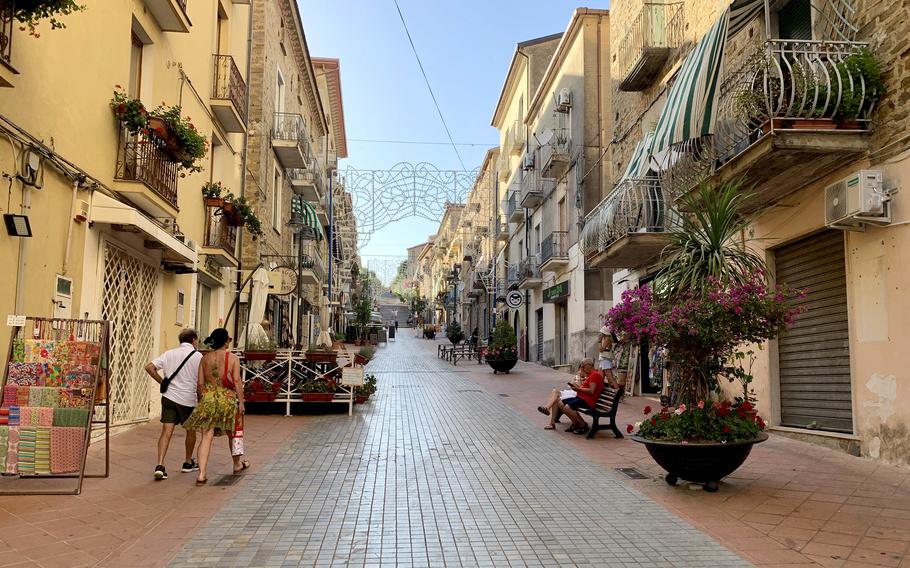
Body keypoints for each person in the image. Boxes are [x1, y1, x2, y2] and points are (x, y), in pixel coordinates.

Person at [183, 328, 249, 485]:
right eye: (229, 339)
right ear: (226, 341)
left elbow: (199, 384)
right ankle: (237, 464)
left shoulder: (204, 359)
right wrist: (241, 401)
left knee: (206, 436)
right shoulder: (232, 358)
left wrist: (201, 401)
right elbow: (237, 381)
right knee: (233, 433)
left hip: (208, 398)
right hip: (227, 398)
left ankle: (201, 473)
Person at [144, 329, 203, 480]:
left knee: (166, 432)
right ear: (193, 340)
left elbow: (149, 367)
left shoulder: (169, 353)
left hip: (169, 397)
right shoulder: (198, 356)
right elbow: (200, 382)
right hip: (187, 399)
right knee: (191, 430)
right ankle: (188, 462)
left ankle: (160, 465)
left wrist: (162, 381)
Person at [557, 359, 605, 435]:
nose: (582, 368)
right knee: (560, 402)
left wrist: (578, 389)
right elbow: (583, 388)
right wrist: (576, 387)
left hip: (588, 400)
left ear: (589, 365)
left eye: (583, 366)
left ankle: (583, 425)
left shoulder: (595, 375)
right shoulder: (590, 375)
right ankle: (575, 423)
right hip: (581, 397)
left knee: (567, 407)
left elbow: (591, 391)